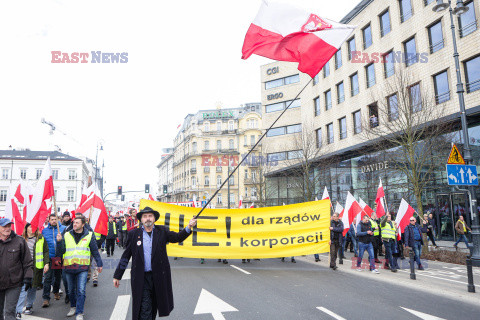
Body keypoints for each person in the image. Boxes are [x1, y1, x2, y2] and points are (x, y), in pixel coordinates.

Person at [113, 207, 197, 320]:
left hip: (158, 277)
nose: (148, 218)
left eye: (150, 216)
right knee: (144, 307)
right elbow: (126, 256)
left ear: (154, 219)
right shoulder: (134, 234)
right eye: (145, 216)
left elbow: (177, 237)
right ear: (141, 219)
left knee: (153, 307)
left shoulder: (162, 231)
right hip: (141, 278)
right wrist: (117, 275)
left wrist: (189, 227)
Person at [56, 215, 103, 320]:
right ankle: (73, 307)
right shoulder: (67, 234)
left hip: (83, 267)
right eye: (74, 222)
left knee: (81, 290)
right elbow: (61, 251)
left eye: (77, 222)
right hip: (69, 267)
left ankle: (79, 313)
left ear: (83, 224)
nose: (74, 224)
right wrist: (59, 242)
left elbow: (95, 251)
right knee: (71, 290)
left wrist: (99, 264)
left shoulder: (89, 235)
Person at [0, 218, 33, 320]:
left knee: (9, 311)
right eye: (5, 226)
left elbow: (27, 262)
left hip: (14, 283)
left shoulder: (19, 241)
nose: (8, 228)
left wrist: (28, 277)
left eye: (9, 226)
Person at [15, 223, 49, 319]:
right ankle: (18, 310)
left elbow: (46, 251)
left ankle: (29, 305)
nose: (32, 228)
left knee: (32, 287)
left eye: (34, 226)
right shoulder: (21, 239)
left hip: (36, 267)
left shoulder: (40, 238)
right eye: (30, 226)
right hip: (23, 267)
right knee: (23, 288)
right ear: (26, 228)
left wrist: (46, 263)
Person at [41, 214, 66, 307]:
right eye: (52, 219)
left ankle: (56, 291)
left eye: (55, 219)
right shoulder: (45, 231)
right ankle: (46, 298)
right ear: (49, 220)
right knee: (47, 278)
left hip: (58, 257)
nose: (54, 221)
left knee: (57, 277)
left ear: (58, 219)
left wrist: (61, 239)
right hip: (48, 258)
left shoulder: (63, 229)